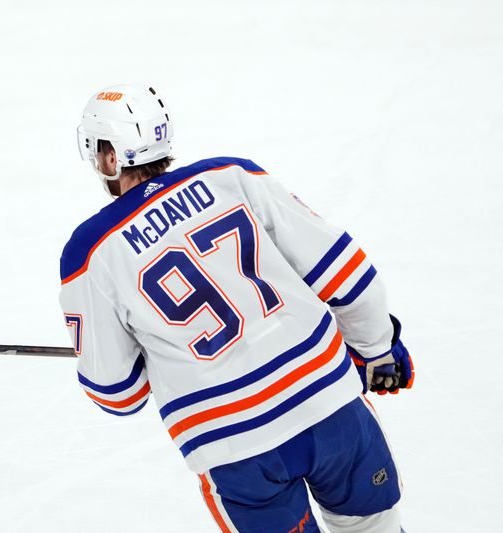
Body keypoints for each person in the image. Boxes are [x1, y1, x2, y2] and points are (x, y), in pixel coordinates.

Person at [59, 84, 414, 533]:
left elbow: (118, 394)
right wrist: (378, 348)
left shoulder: (90, 253)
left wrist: (145, 350)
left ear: (111, 158)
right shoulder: (231, 175)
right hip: (330, 405)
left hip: (235, 447)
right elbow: (348, 274)